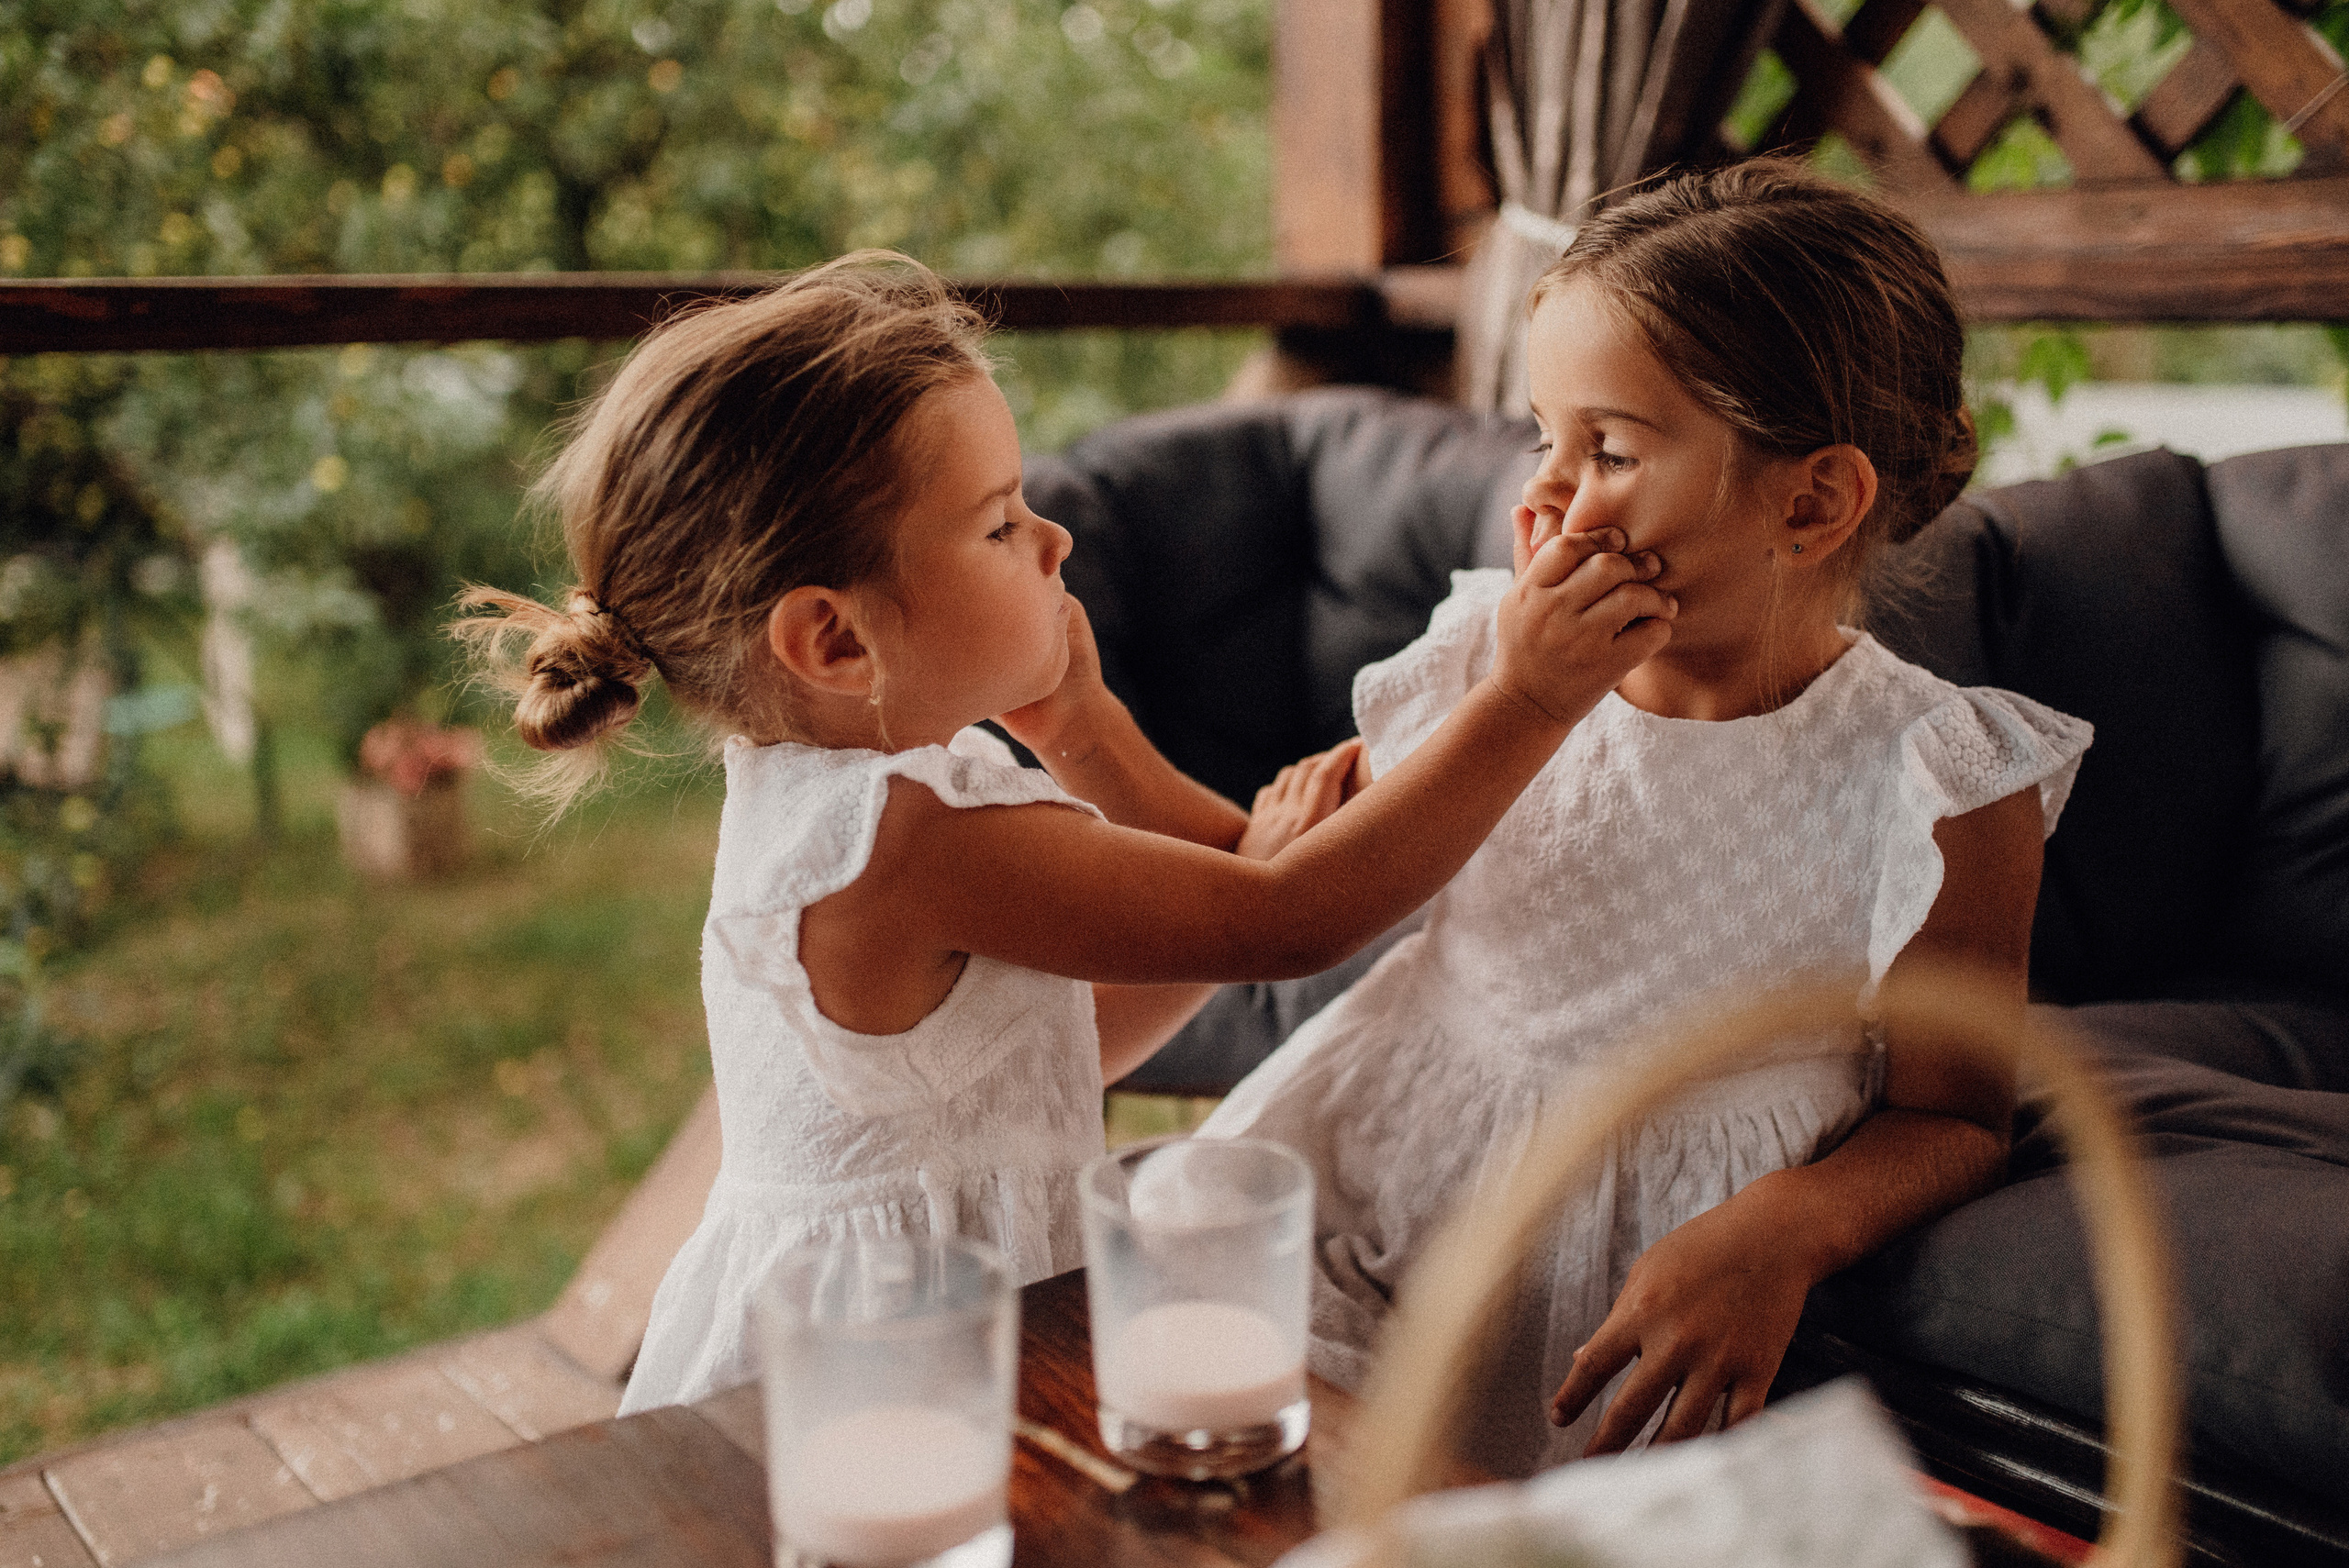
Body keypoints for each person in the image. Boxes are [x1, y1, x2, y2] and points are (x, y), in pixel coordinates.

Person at [452, 253, 1679, 1414]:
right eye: (998, 525)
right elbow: (1289, 919)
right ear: (832, 640)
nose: (1055, 541)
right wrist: (1528, 696)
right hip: (889, 1359)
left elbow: (1056, 1045)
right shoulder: (910, 834)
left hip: (898, 1318)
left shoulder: (841, 782)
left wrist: (1089, 729)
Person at [1198, 159, 2094, 1476]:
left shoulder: (1941, 779)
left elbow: (1955, 1117)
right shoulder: (1487, 655)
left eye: (1609, 448)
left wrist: (1782, 1229)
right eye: (1543, 437)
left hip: (1623, 1274)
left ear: (1812, 499)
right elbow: (1335, 885)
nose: (1547, 494)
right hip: (1376, 1171)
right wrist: (1303, 830)